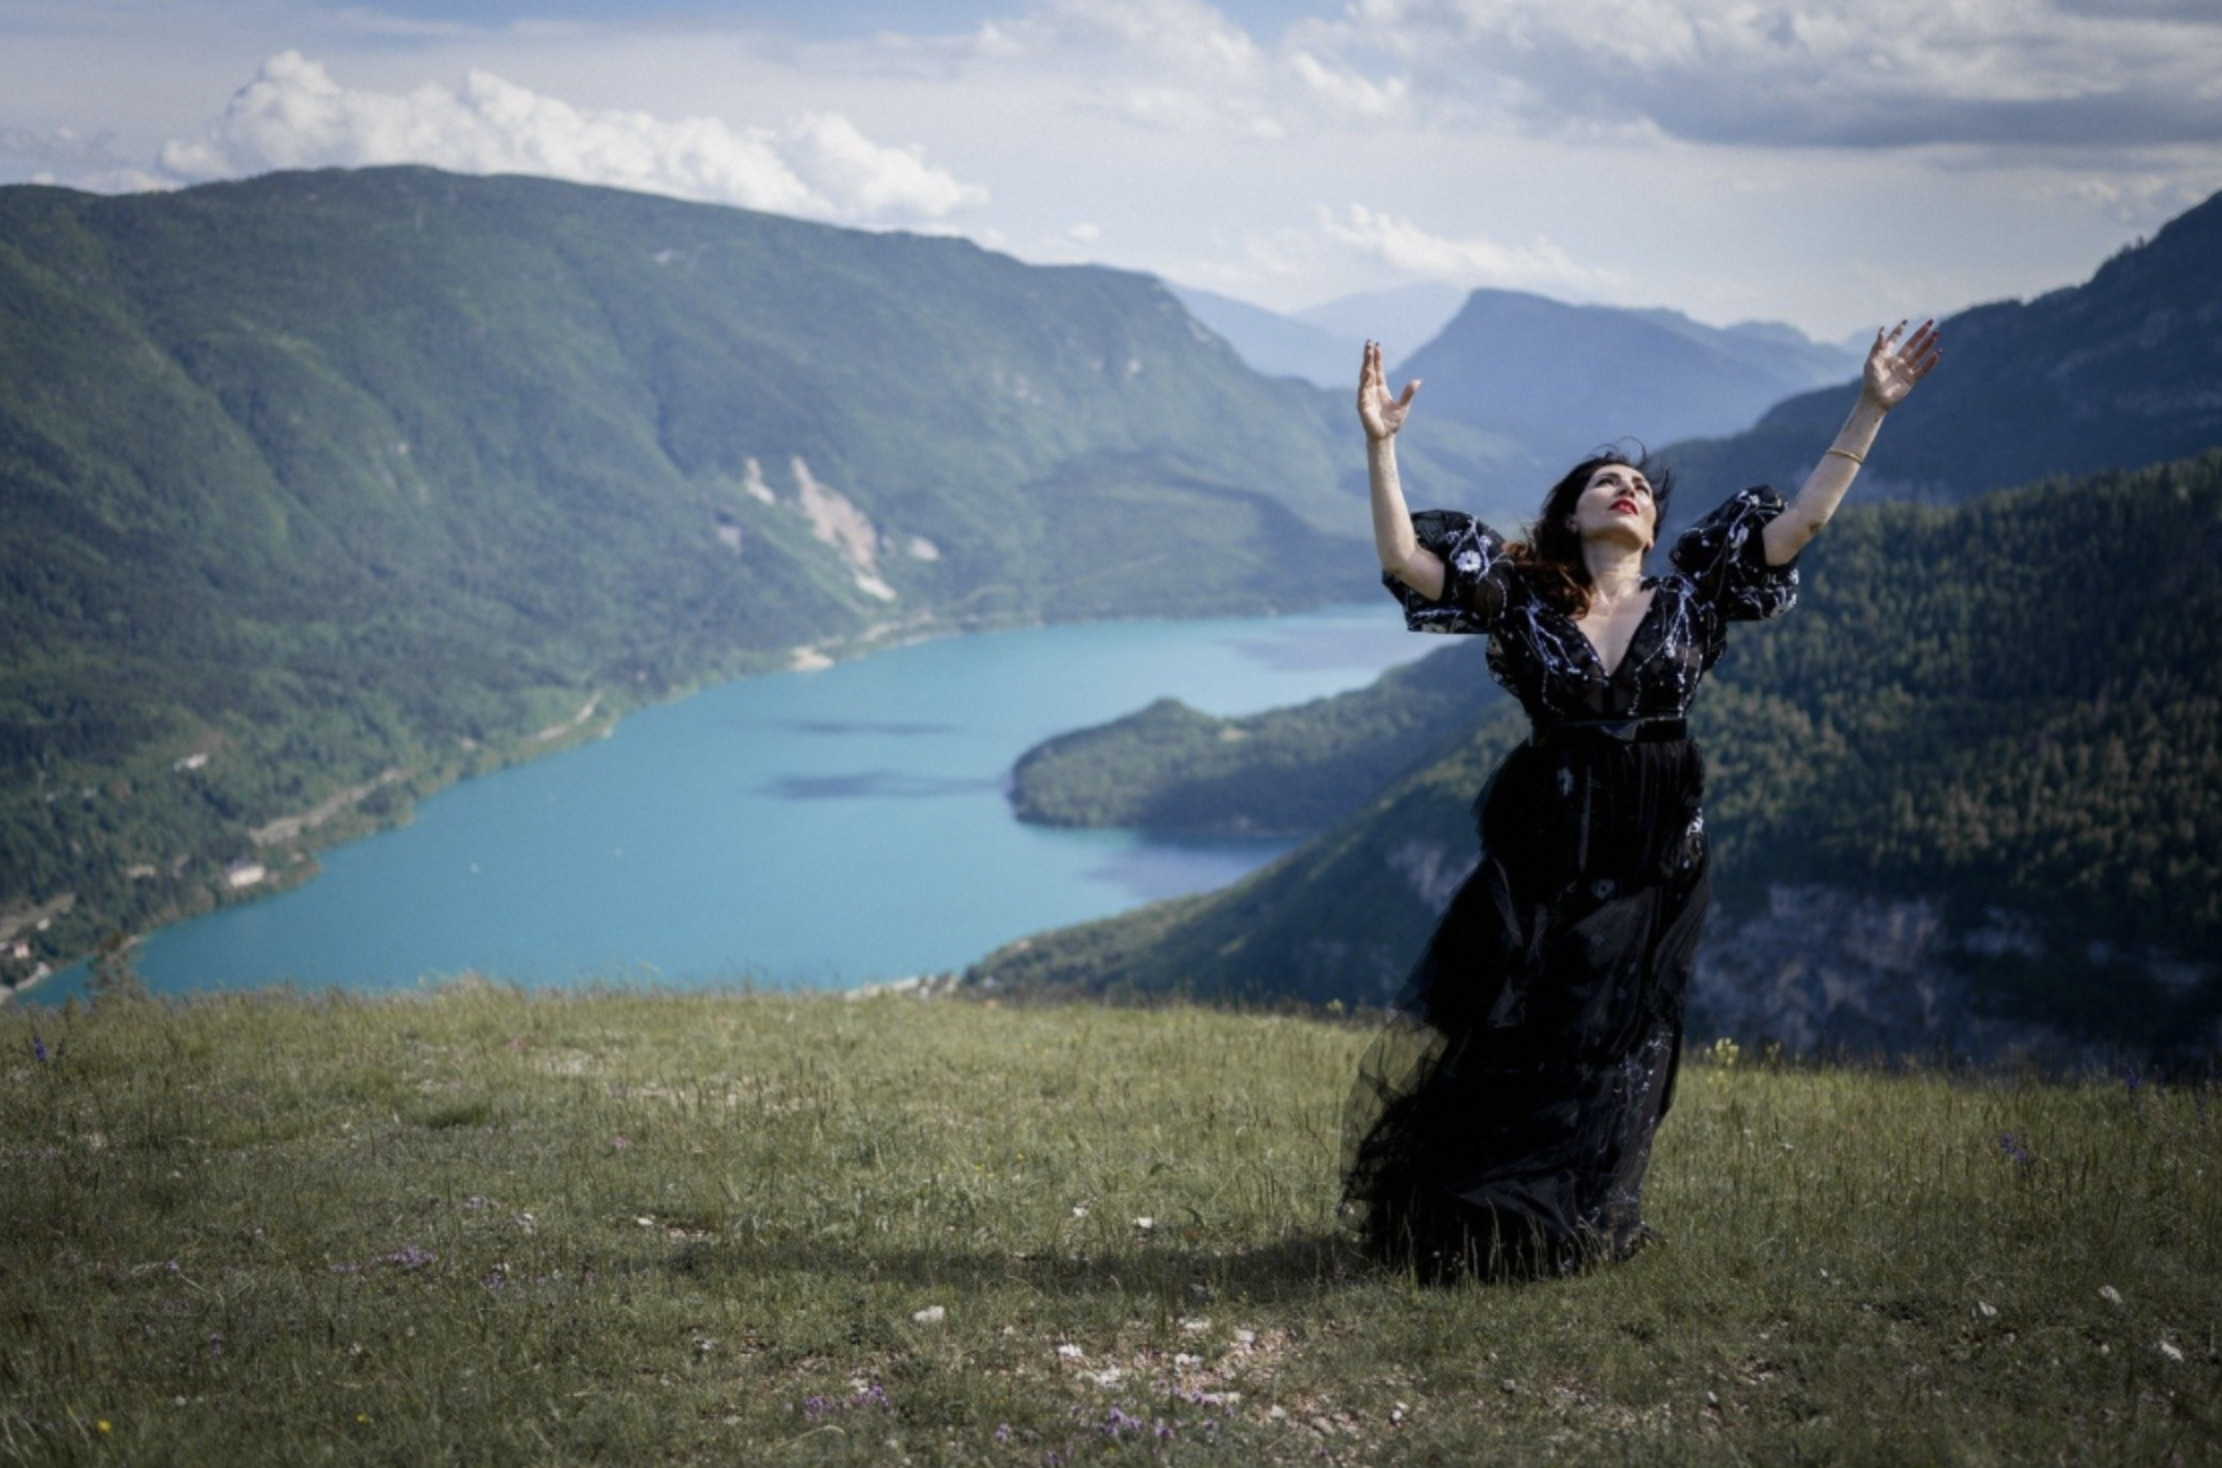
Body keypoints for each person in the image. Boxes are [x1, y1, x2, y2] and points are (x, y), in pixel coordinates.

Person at [1342, 321, 1942, 1279]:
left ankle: (1573, 1223)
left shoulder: (1693, 600)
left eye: (1639, 490)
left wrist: (1868, 408)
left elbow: (1802, 526)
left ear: (1655, 529)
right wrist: (1382, 445)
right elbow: (1409, 562)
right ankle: (1474, 1223)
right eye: (1601, 484)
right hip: (1547, 841)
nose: (1625, 490)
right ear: (1572, 520)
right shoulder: (1523, 602)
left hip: (1658, 853)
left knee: (1625, 1036)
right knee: (1523, 1022)